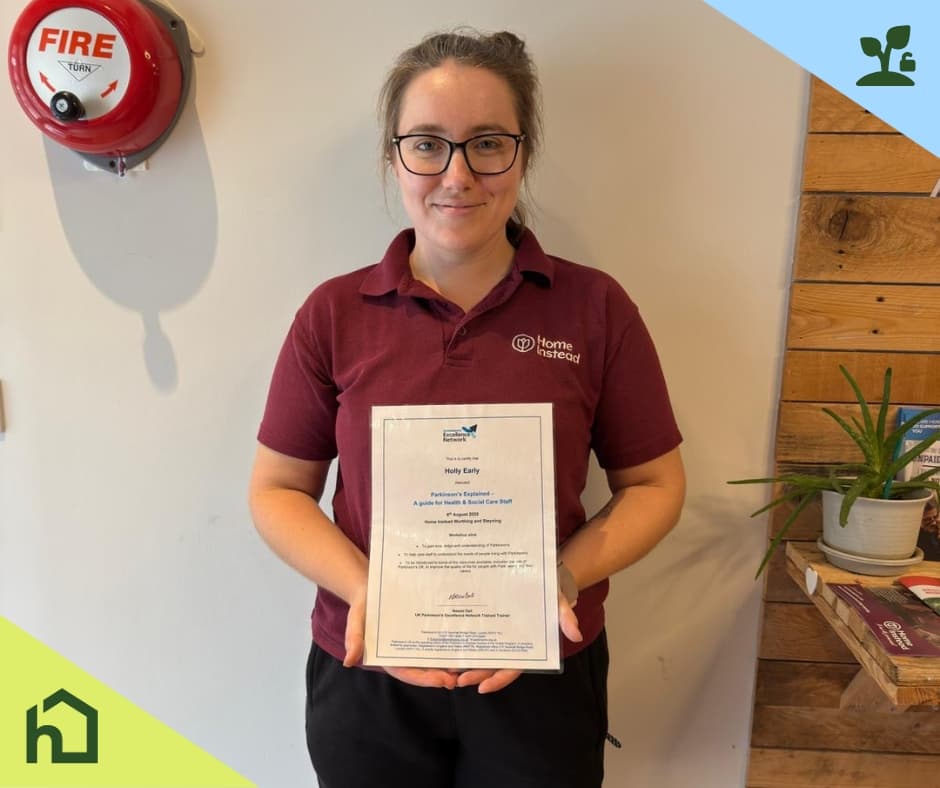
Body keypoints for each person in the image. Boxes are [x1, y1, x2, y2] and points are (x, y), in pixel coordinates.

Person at [249, 29, 685, 788]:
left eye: (487, 144)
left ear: (523, 154)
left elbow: (656, 484)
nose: (457, 175)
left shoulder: (595, 308)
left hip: (542, 671)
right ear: (394, 158)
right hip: (368, 669)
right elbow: (277, 489)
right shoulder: (333, 314)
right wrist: (369, 592)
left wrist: (560, 578)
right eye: (427, 144)